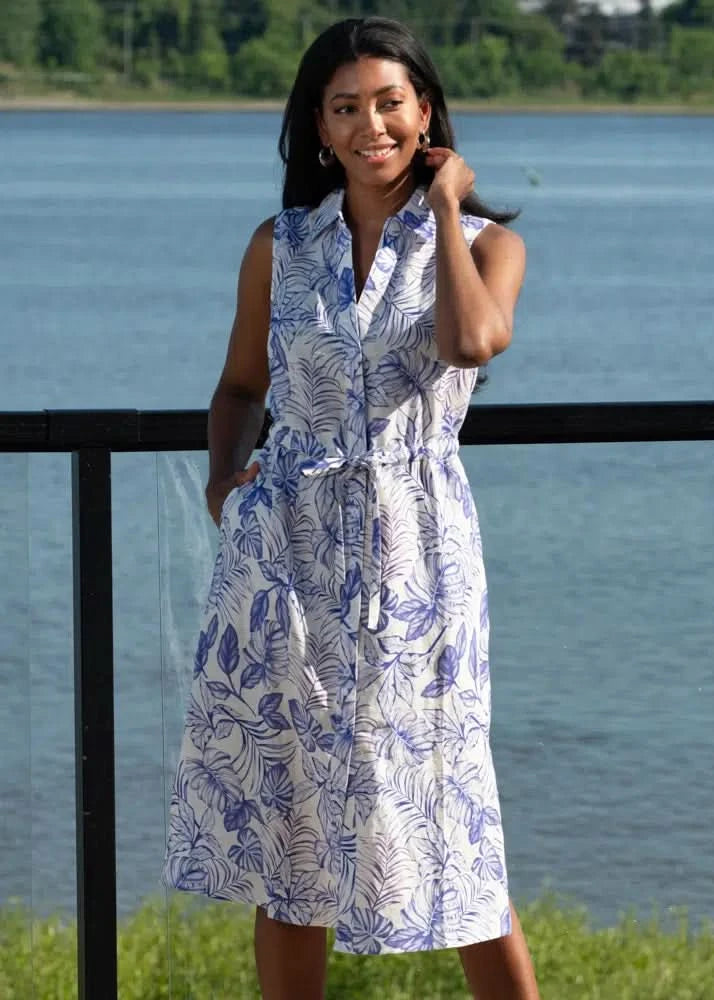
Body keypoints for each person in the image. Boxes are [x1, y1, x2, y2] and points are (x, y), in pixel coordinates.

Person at [163, 16, 538, 1000]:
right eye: (345, 107)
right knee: (290, 822)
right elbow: (240, 387)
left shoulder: (490, 244)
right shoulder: (280, 245)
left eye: (389, 101)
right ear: (318, 129)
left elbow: (471, 343)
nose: (370, 123)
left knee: (448, 808)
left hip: (417, 557)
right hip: (282, 559)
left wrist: (447, 204)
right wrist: (221, 483)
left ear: (424, 112)